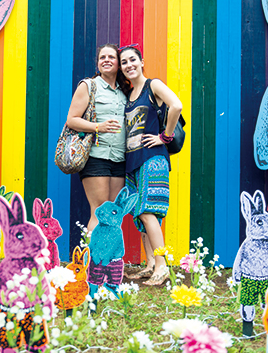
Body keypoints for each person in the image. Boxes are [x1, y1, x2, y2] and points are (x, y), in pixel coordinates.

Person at [120, 46, 182, 286]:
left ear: (142, 62)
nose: (129, 65)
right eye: (124, 62)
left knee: (148, 211)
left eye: (132, 60)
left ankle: (162, 266)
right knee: (141, 214)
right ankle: (150, 265)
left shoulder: (152, 85)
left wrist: (165, 137)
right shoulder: (129, 94)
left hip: (152, 159)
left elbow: (176, 105)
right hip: (133, 161)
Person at [66, 44, 132, 232]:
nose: (106, 60)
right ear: (97, 63)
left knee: (113, 211)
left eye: (111, 57)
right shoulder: (89, 86)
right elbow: (72, 120)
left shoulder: (125, 91)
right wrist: (98, 127)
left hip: (119, 158)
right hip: (96, 156)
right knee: (99, 210)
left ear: (118, 64)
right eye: (102, 57)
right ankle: (91, 252)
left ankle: (108, 251)